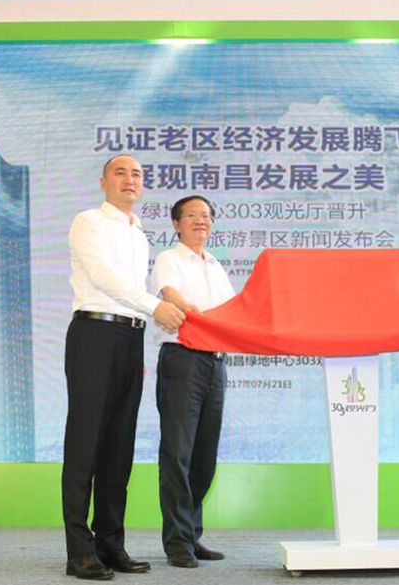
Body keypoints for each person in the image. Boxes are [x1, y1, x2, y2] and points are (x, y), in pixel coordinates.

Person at [62, 155, 186, 581]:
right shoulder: (89, 222)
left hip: (130, 339)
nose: (129, 179)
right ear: (103, 182)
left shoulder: (139, 234)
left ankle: (110, 544)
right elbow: (103, 277)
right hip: (94, 334)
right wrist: (155, 306)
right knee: (85, 445)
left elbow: (132, 295)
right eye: (120, 172)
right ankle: (79, 551)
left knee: (119, 448)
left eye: (136, 174)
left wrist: (140, 343)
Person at [151, 195, 237, 569]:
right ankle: (177, 542)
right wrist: (194, 314)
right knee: (178, 453)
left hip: (215, 363)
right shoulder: (169, 259)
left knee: (204, 455)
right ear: (176, 224)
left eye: (206, 216)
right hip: (182, 359)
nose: (201, 221)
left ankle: (191, 534)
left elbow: (233, 312)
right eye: (192, 215)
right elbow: (170, 295)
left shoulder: (216, 266)